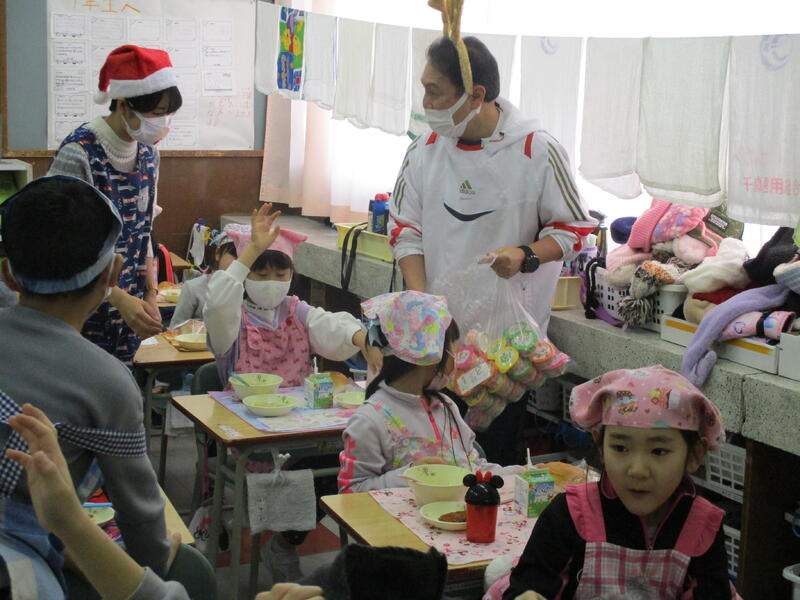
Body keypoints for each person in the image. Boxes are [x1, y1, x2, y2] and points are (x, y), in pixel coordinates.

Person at [388, 36, 595, 464]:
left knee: (491, 465)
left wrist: (525, 255)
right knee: (426, 459)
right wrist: (425, 305)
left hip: (505, 350)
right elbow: (405, 230)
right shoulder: (424, 150)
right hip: (437, 343)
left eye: (434, 91)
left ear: (476, 95)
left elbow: (573, 229)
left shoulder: (536, 149)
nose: (425, 102)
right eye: (424, 88)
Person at [0, 176, 171, 593]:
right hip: (18, 567)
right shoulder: (108, 381)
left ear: (8, 275)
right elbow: (140, 513)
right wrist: (155, 566)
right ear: (113, 273)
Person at [204, 204, 381, 581]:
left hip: (303, 429)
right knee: (310, 471)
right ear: (245, 274)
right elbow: (217, 303)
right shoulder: (231, 318)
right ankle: (280, 537)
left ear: (291, 275)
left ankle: (284, 543)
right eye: (260, 272)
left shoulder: (296, 310)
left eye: (279, 272)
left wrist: (360, 337)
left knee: (344, 463)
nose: (271, 281)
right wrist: (249, 251)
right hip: (252, 436)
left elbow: (330, 326)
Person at [498, 366, 740, 600]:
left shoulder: (701, 527)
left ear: (695, 455)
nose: (637, 470)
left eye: (659, 451)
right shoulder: (570, 514)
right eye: (621, 448)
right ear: (600, 445)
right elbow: (527, 584)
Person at [48, 45, 182, 366]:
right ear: (123, 104)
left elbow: (144, 229)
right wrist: (115, 297)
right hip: (79, 308)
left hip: (127, 308)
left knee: (120, 385)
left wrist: (149, 292)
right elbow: (61, 247)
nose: (162, 122)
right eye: (155, 112)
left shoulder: (148, 154)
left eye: (167, 113)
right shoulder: (80, 152)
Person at [338, 291, 523, 493]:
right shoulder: (370, 420)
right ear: (430, 353)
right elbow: (350, 492)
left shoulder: (445, 406)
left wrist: (522, 474)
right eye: (453, 348)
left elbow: (472, 469)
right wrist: (410, 474)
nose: (456, 357)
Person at [168, 232, 237, 328]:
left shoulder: (250, 293)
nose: (241, 263)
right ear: (218, 253)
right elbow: (175, 328)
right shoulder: (194, 288)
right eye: (235, 255)